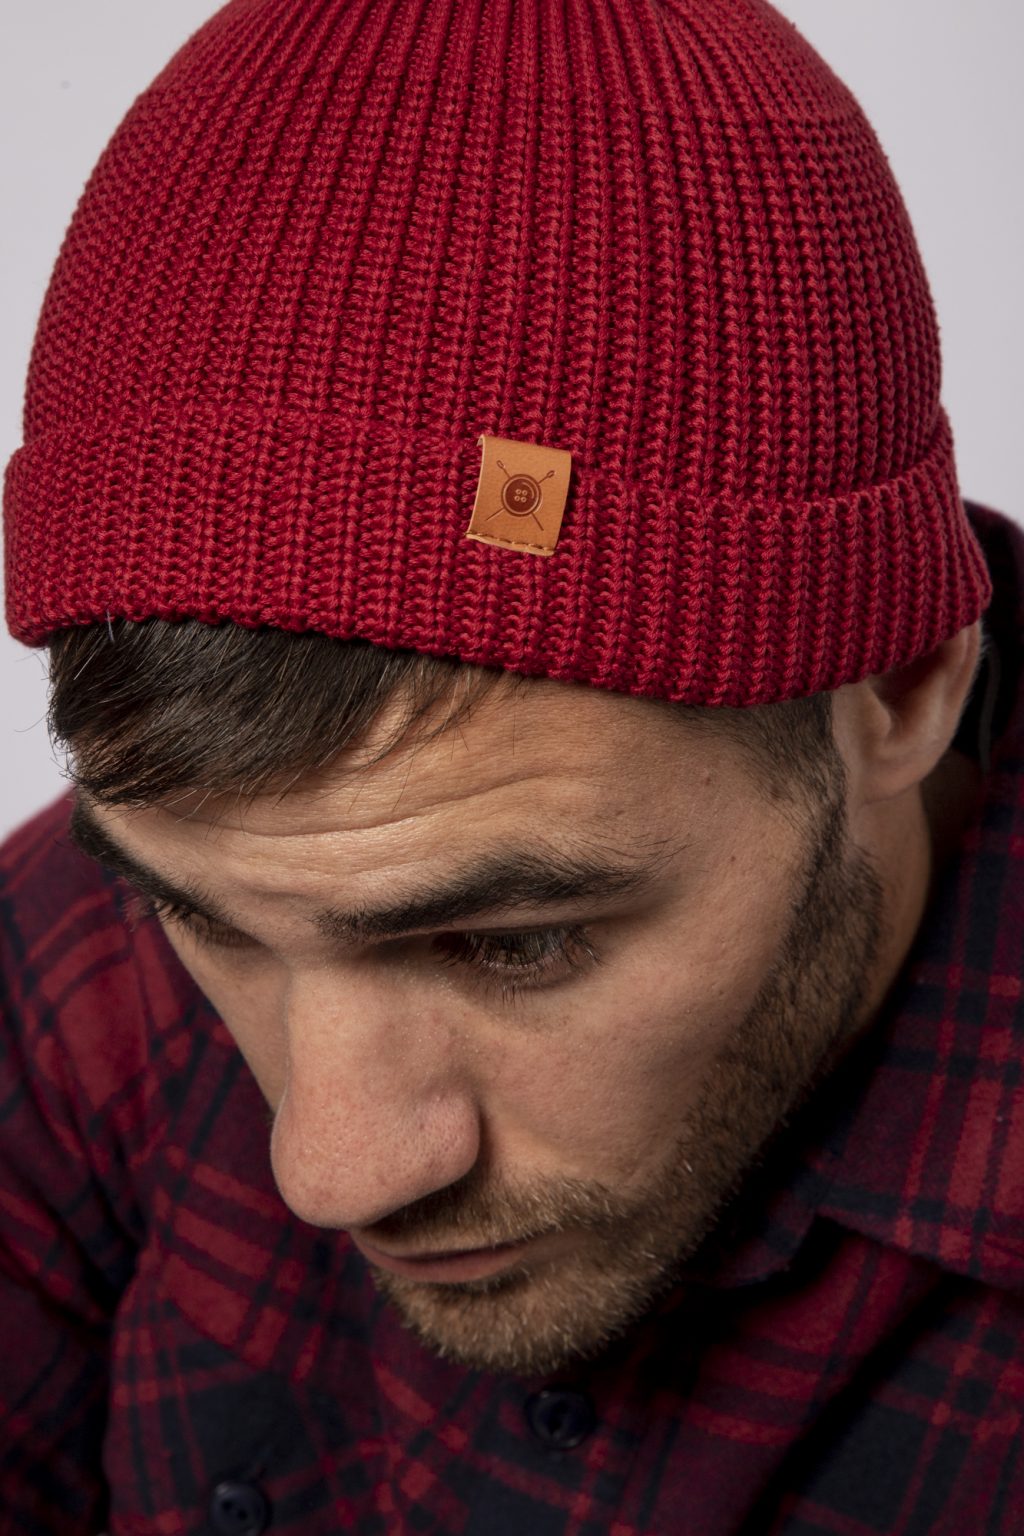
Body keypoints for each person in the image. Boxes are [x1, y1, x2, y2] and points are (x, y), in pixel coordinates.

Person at [1, 0, 1021, 1531]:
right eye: (204, 919)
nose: (330, 1170)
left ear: (902, 686)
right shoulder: (68, 966)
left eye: (514, 941)